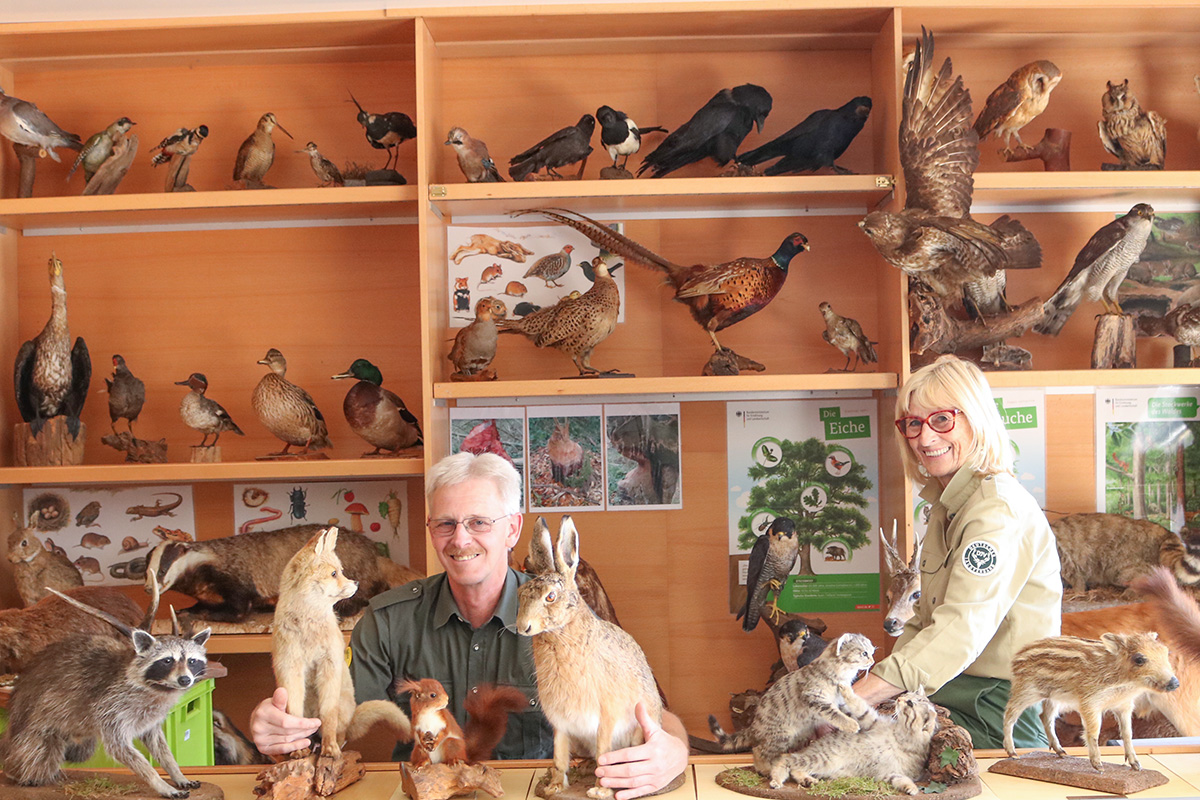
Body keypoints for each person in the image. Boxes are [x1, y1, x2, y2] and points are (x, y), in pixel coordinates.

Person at [250, 451, 689, 799]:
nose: (460, 539)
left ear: (513, 529)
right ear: (431, 530)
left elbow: (654, 714)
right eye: (446, 524)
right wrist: (281, 729)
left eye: (479, 522)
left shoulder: (567, 617)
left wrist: (674, 750)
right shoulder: (385, 620)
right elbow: (333, 717)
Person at [853, 355, 1062, 749]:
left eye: (942, 420)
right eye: (913, 423)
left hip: (995, 708)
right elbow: (924, 620)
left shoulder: (995, 511)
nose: (925, 438)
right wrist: (872, 690)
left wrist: (857, 700)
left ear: (976, 419)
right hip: (949, 691)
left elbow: (960, 630)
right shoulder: (947, 504)